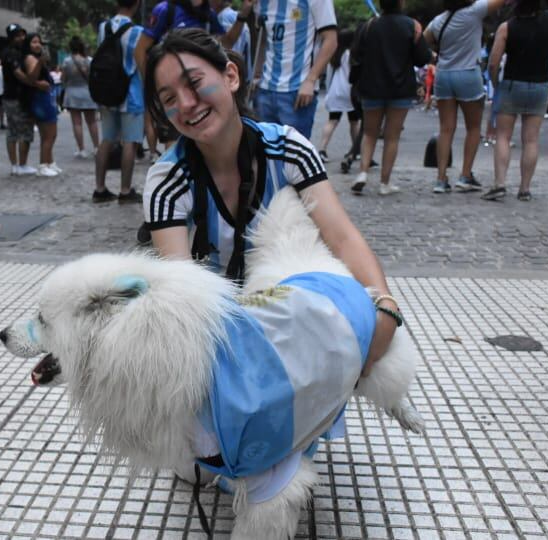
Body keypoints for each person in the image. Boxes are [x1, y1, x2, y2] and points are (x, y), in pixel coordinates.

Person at [142, 28, 399, 377]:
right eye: (169, 99)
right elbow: (182, 295)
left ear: (230, 76)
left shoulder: (289, 150)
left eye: (194, 82)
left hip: (296, 326)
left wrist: (384, 306)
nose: (186, 104)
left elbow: (341, 238)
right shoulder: (167, 182)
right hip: (217, 344)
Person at [482, 1, 548, 201]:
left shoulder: (506, 27)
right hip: (540, 85)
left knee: (503, 137)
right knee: (531, 139)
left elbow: (493, 62)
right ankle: (525, 189)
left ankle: (500, 183)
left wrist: (495, 84)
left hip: (512, 84)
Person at [135, 0, 256, 158]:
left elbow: (225, 43)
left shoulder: (208, 13)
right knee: (175, 144)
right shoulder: (166, 9)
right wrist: (157, 88)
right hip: (173, 92)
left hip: (200, 88)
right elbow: (140, 50)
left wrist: (242, 16)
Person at [350, 0, 431, 196]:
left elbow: (356, 56)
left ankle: (362, 172)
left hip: (372, 86)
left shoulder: (369, 26)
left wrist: (354, 81)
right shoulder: (410, 26)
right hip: (400, 88)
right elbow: (422, 57)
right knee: (392, 136)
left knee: (369, 133)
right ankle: (384, 183)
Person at [424, 0, 504, 195]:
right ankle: (465, 175)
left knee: (445, 129)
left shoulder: (438, 21)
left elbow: (424, 39)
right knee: (473, 127)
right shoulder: (475, 11)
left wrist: (438, 51)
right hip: (468, 73)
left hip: (444, 74)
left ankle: (441, 179)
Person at [254, 0, 338, 141]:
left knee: (294, 155)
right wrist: (257, 73)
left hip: (297, 91)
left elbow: (331, 40)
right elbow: (263, 38)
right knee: (265, 154)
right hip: (265, 89)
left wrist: (311, 80)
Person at [94, 0, 146, 204]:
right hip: (130, 94)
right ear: (136, 4)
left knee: (106, 139)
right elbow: (140, 62)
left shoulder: (102, 28)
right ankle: (125, 190)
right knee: (130, 142)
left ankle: (99, 188)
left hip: (106, 92)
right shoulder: (137, 31)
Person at [1, 23, 38, 176]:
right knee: (24, 131)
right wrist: (32, 82)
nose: (21, 38)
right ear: (11, 38)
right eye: (17, 35)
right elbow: (18, 73)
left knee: (12, 131)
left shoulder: (8, 52)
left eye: (22, 35)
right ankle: (22, 165)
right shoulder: (13, 53)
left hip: (9, 96)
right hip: (17, 97)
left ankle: (15, 166)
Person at [317, 29, 359, 163]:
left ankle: (322, 149)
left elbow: (329, 76)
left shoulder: (335, 55)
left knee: (332, 121)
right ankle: (356, 149)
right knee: (354, 122)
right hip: (350, 92)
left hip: (336, 91)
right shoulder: (352, 55)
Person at [21, 33, 60, 178]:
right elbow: (32, 76)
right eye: (34, 42)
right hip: (41, 98)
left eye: (39, 42)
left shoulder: (37, 58)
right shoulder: (30, 58)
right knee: (48, 134)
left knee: (51, 133)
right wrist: (40, 62)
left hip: (46, 97)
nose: (38, 45)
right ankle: (43, 164)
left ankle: (49, 162)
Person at [61, 36, 100, 159]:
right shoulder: (89, 60)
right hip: (87, 93)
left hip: (72, 93)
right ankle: (96, 147)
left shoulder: (67, 61)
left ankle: (81, 149)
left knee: (77, 123)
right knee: (92, 122)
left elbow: (63, 79)